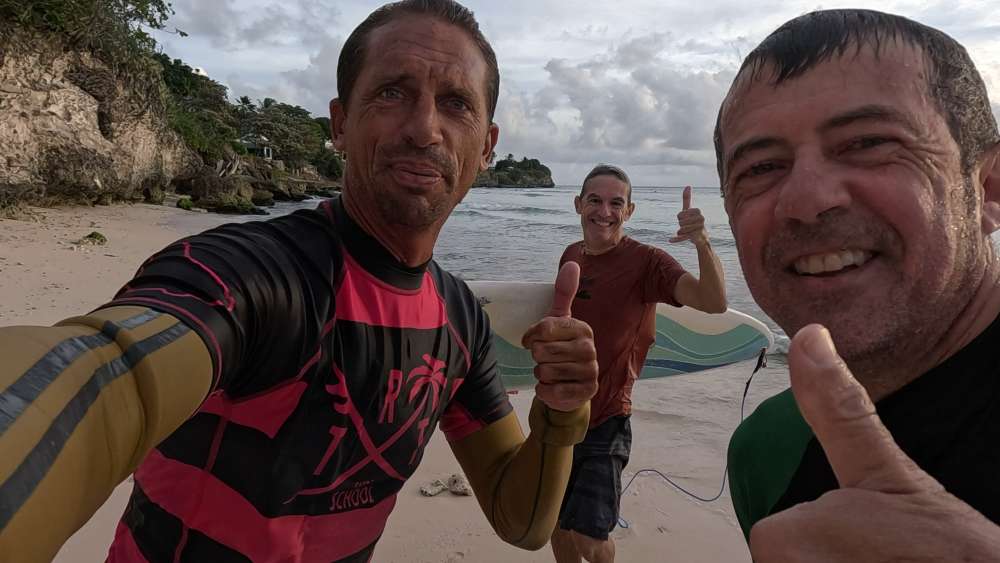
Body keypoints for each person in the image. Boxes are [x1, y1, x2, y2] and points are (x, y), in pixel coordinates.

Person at [0, 1, 601, 562]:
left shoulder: (460, 321)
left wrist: (560, 412)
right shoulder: (249, 274)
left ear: (488, 146)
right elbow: (108, 374)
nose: (424, 127)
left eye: (456, 103)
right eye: (392, 93)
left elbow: (520, 521)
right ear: (339, 124)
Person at [717, 9, 1000, 561]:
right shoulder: (764, 450)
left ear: (988, 186)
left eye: (868, 142)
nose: (805, 200)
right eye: (760, 168)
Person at [549, 165, 727, 563]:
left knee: (590, 537)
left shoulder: (648, 263)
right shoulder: (570, 254)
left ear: (630, 211)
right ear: (578, 204)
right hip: (560, 413)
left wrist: (702, 241)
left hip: (607, 419)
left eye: (616, 203)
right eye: (595, 200)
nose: (604, 211)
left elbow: (713, 303)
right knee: (556, 523)